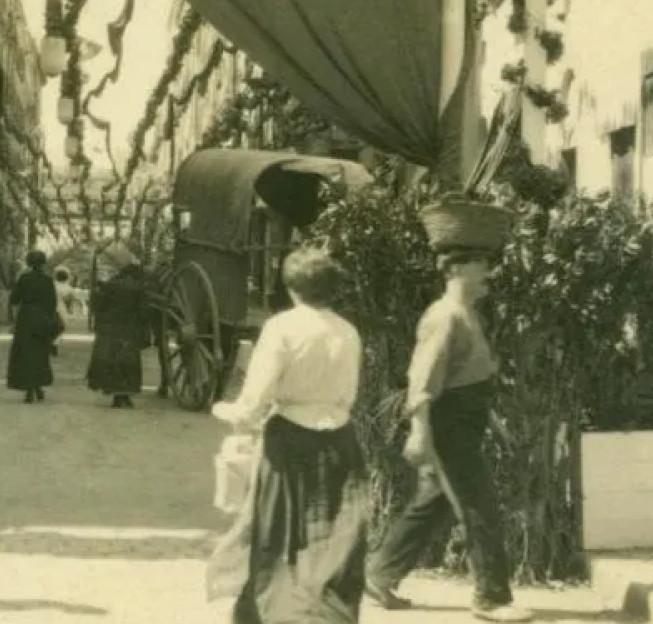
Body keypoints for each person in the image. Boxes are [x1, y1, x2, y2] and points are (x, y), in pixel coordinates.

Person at [364, 244, 531, 623]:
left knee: (434, 500)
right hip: (448, 425)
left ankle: (378, 574)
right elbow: (422, 379)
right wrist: (419, 432)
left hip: (464, 421)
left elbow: (471, 376)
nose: (489, 272)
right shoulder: (445, 317)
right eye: (481, 263)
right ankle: (491, 597)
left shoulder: (467, 314)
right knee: (480, 504)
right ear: (455, 269)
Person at [206, 246, 369, 624]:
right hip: (341, 442)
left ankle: (268, 615)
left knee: (278, 536)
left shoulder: (282, 328)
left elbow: (255, 400)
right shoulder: (348, 332)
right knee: (331, 540)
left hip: (290, 442)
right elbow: (349, 394)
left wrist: (229, 411)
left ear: (291, 288)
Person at [86, 243, 148, 409]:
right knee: (129, 362)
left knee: (114, 361)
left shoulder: (112, 285)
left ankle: (117, 397)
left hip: (112, 329)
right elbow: (143, 311)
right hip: (130, 330)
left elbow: (99, 307)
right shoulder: (138, 287)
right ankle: (126, 396)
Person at [7, 250, 63, 403]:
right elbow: (53, 303)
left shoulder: (24, 279)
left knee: (25, 353)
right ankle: (38, 386)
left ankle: (28, 389)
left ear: (29, 262)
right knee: (40, 353)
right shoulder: (47, 280)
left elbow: (14, 299)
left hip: (25, 319)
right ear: (43, 263)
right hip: (42, 318)